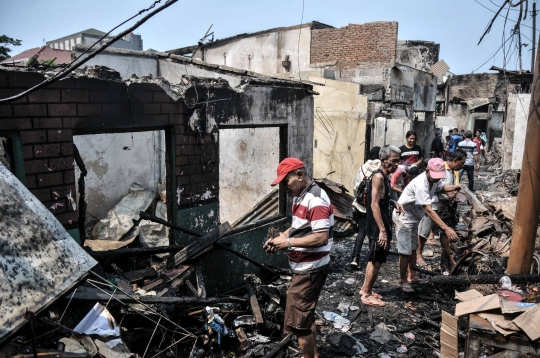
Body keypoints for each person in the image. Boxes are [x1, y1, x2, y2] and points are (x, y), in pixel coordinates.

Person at [263, 157, 333, 358]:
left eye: (286, 181)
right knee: (305, 316)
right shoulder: (301, 196)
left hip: (310, 270)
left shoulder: (316, 199)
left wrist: (288, 243)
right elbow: (299, 227)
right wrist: (281, 237)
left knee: (299, 324)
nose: (284, 187)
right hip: (305, 268)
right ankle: (313, 355)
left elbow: (320, 237)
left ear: (300, 175)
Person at [393, 158, 461, 292]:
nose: (436, 179)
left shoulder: (434, 180)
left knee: (413, 248)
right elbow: (428, 209)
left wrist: (454, 187)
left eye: (438, 177)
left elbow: (441, 187)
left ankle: (413, 275)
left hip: (413, 218)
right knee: (405, 252)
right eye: (434, 176)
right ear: (427, 170)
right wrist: (446, 228)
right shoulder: (421, 183)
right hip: (404, 218)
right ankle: (403, 280)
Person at [360, 145, 404, 307]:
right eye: (393, 161)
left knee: (373, 258)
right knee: (376, 260)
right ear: (383, 160)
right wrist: (382, 231)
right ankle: (366, 294)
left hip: (381, 224)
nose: (396, 165)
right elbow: (374, 204)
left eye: (398, 161)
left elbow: (381, 198)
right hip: (378, 226)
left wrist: (393, 201)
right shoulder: (378, 177)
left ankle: (366, 289)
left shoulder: (385, 176)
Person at [416, 150, 466, 271]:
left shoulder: (449, 171)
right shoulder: (440, 170)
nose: (462, 166)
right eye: (462, 163)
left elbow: (440, 187)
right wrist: (451, 193)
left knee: (445, 230)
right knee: (424, 231)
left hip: (441, 204)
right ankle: (418, 256)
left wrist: (455, 188)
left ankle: (447, 258)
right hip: (434, 204)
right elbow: (439, 188)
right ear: (455, 161)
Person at [350, 146, 381, 269]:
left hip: (361, 206)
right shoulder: (380, 169)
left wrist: (359, 199)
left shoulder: (363, 167)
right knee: (373, 233)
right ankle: (371, 260)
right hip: (375, 206)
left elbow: (355, 186)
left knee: (362, 231)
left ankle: (355, 258)